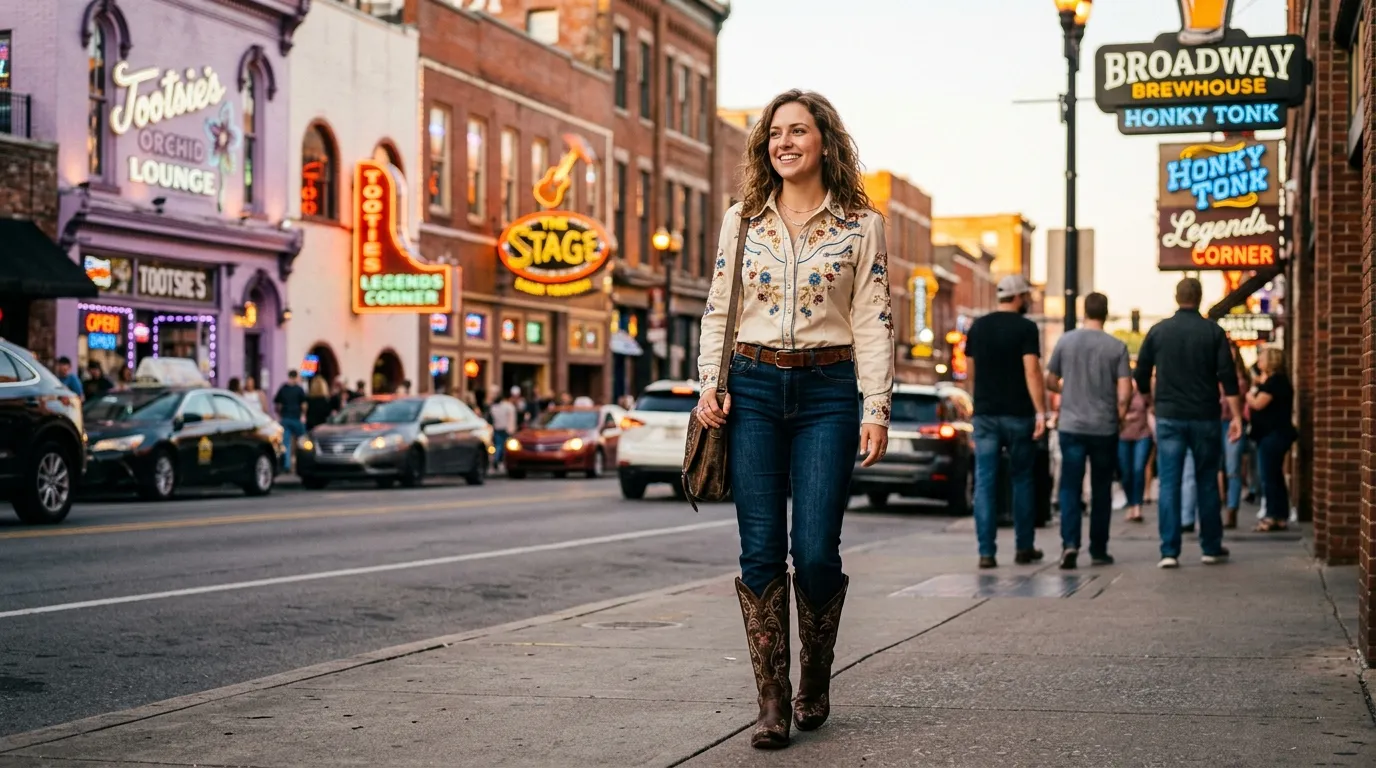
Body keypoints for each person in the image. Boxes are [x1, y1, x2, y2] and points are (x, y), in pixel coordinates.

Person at [693, 90, 893, 750]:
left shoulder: (862, 224)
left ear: (825, 143)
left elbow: (872, 317)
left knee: (814, 552)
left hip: (829, 392)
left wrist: (877, 407)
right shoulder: (743, 220)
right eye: (775, 132)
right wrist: (709, 385)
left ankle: (816, 677)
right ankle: (772, 699)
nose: (784, 141)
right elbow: (720, 307)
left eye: (798, 131)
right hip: (750, 388)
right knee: (758, 550)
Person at [1134, 277, 1242, 569]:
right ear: (1200, 297)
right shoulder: (1213, 332)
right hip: (1205, 416)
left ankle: (1169, 551)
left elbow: (1141, 373)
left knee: (1169, 482)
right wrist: (1236, 416)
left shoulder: (1158, 332)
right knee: (1207, 481)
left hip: (1169, 416)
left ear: (1176, 296)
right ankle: (1210, 546)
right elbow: (1228, 377)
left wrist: (1148, 400)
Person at [964, 274, 1048, 569]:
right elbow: (1032, 372)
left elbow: (970, 372)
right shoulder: (1026, 328)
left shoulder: (977, 327)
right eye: (1026, 296)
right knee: (1022, 479)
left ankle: (986, 552)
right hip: (1019, 414)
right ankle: (1024, 547)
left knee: (984, 482)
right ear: (1019, 297)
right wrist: (1041, 411)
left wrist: (978, 402)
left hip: (986, 414)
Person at [1045, 292, 1131, 569]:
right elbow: (1125, 390)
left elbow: (1049, 378)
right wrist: (1119, 414)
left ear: (1084, 312)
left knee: (1070, 486)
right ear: (1105, 314)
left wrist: (1065, 391)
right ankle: (1098, 548)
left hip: (1071, 425)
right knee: (1101, 488)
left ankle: (1070, 544)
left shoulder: (1066, 341)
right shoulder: (1116, 346)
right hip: (1104, 427)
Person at [1247, 346, 1295, 532]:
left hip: (1273, 435)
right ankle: (1279, 516)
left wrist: (1249, 395)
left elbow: (1258, 404)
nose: (1259, 361)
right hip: (1273, 434)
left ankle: (1272, 516)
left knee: (1269, 476)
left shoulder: (1276, 382)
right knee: (1275, 475)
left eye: (1262, 358)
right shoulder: (1274, 381)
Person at [1221, 344, 1252, 528]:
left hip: (1234, 423)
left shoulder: (1243, 377)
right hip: (1214, 422)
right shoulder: (1212, 373)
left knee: (1233, 468)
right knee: (1214, 468)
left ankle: (1232, 510)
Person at [1119, 381, 1153, 523]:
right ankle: (1131, 503)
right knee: (1125, 472)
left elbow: (1152, 407)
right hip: (1122, 436)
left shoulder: (1143, 393)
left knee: (1138, 469)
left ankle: (1137, 505)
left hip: (1143, 435)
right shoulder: (1117, 394)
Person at [274, 370, 308, 472]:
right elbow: (304, 405)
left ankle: (287, 465)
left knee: (286, 443)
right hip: (296, 418)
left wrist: (280, 415)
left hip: (285, 418)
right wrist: (303, 415)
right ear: (296, 377)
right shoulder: (299, 389)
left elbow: (278, 405)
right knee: (303, 441)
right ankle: (303, 463)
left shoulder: (283, 389)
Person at [488, 392, 518, 471]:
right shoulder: (508, 407)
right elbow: (511, 419)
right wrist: (511, 429)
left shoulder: (493, 407)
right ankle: (500, 461)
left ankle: (496, 460)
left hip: (497, 428)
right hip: (505, 429)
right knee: (505, 446)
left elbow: (492, 419)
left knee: (498, 445)